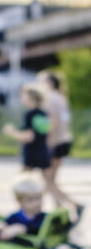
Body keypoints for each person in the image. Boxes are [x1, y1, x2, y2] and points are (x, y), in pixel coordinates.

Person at [37, 70, 81, 217]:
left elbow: (53, 122)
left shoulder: (49, 98)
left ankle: (74, 204)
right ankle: (58, 210)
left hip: (54, 142)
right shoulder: (62, 97)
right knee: (51, 180)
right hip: (64, 141)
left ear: (49, 83)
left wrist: (47, 143)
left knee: (48, 180)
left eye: (41, 80)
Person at [2, 84, 52, 176]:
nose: (21, 97)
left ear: (30, 97)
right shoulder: (43, 113)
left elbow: (29, 136)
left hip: (32, 152)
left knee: (22, 183)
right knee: (49, 185)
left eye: (23, 95)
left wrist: (11, 132)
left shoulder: (30, 114)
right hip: (43, 150)